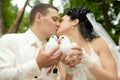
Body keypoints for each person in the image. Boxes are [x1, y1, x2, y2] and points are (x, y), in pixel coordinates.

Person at [0, 3, 63, 80]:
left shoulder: (54, 51)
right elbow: (2, 75)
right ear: (38, 17)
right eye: (54, 19)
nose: (58, 24)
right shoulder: (9, 41)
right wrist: (37, 64)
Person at [57, 7, 120, 80]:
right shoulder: (61, 52)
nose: (58, 24)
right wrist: (69, 71)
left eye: (62, 21)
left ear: (74, 22)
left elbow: (113, 78)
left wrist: (87, 61)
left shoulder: (99, 43)